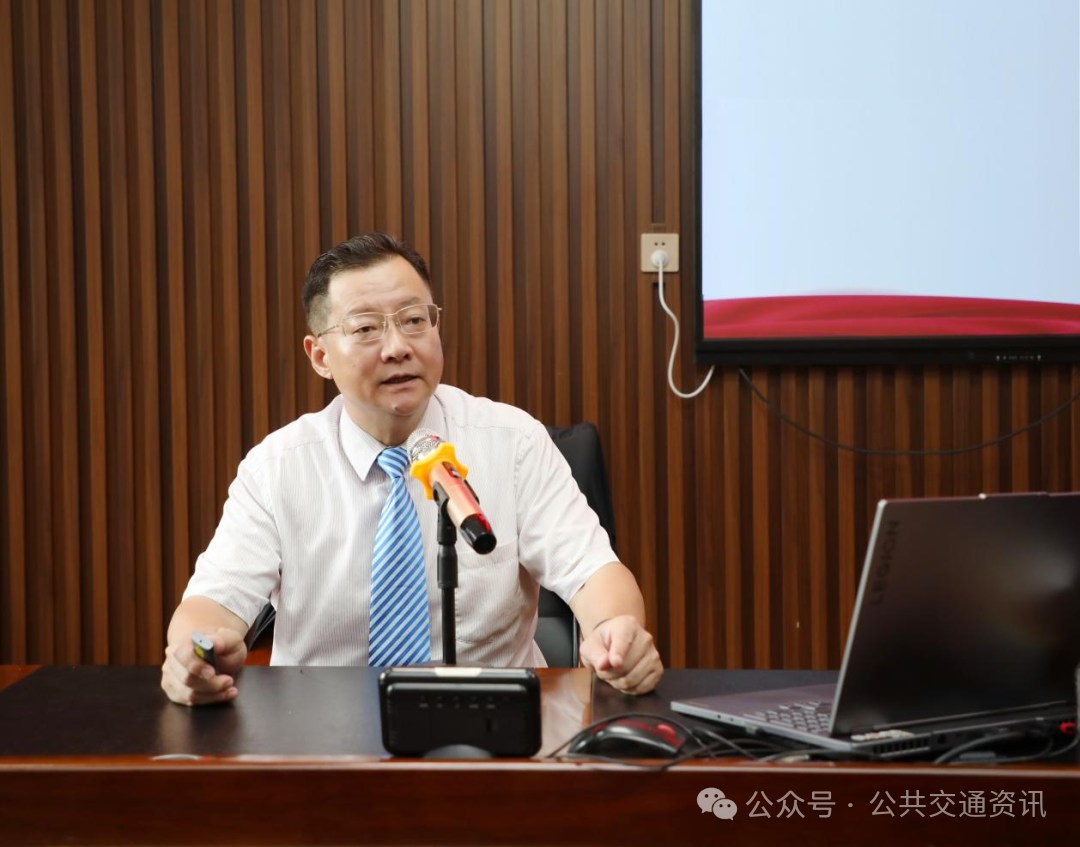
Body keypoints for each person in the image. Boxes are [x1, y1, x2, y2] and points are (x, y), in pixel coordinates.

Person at [161, 233, 663, 705]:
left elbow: (593, 573)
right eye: (365, 328)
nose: (398, 346)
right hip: (321, 729)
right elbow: (211, 605)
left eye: (414, 320)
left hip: (492, 720)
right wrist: (196, 653)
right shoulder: (277, 468)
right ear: (320, 356)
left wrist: (614, 633)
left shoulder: (513, 443)